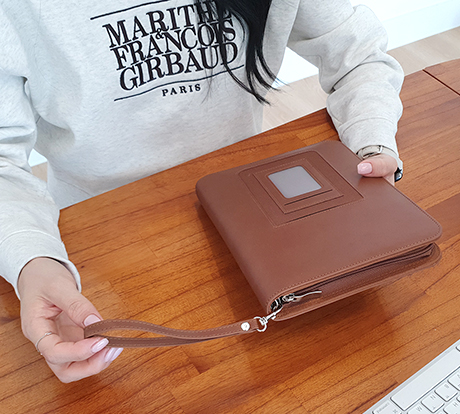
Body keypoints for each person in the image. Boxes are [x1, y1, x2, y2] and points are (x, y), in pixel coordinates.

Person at [0, 0, 404, 382]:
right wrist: (32, 260)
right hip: (98, 241)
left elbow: (359, 54)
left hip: (249, 216)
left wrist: (372, 140)